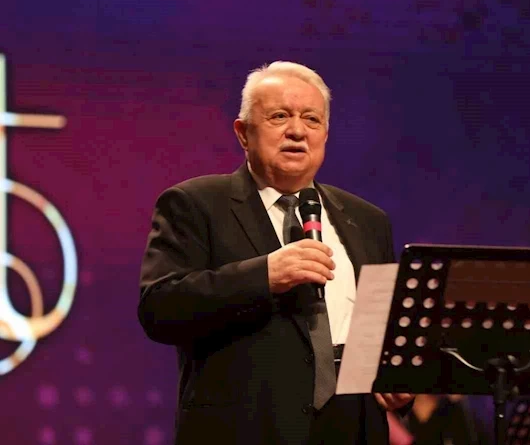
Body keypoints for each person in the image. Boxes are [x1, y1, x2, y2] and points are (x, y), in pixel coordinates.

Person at [137, 61, 413, 445]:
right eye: (279, 116)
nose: (297, 130)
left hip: (352, 429)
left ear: (326, 134)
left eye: (312, 119)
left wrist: (395, 376)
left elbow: (381, 331)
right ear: (243, 133)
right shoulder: (195, 204)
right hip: (244, 429)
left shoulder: (367, 220)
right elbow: (159, 309)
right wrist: (263, 275)